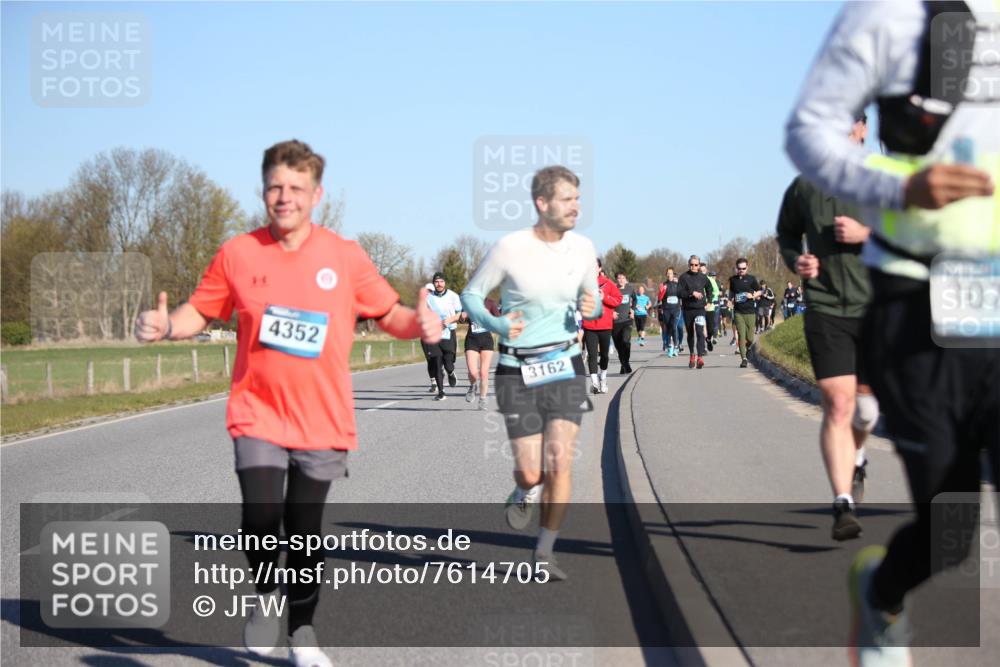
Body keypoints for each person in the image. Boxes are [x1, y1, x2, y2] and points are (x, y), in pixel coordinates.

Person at [134, 140, 443, 667]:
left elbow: (389, 314)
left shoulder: (344, 256)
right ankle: (265, 596)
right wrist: (166, 327)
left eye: (296, 188)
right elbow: (200, 312)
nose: (285, 197)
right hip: (257, 411)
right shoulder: (238, 253)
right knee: (260, 517)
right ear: (264, 190)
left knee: (303, 531)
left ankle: (302, 632)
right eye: (275, 186)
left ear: (316, 194)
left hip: (323, 418)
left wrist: (422, 324)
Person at [786, 2, 998, 664]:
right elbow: (809, 131)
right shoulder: (890, 14)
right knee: (951, 527)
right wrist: (898, 189)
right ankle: (882, 593)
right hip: (919, 303)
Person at [461, 165, 600, 581]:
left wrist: (589, 305)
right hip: (516, 368)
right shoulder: (509, 248)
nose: (576, 206)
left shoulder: (583, 248)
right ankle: (523, 490)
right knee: (532, 470)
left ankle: (544, 552)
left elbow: (588, 295)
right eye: (567, 199)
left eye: (578, 198)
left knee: (560, 464)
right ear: (542, 204)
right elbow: (471, 294)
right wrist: (499, 324)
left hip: (566, 365)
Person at [777, 113, 879, 542]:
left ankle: (857, 457)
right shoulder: (805, 186)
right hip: (824, 307)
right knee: (837, 405)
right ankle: (842, 503)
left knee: (867, 411)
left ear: (861, 129)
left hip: (879, 307)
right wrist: (796, 260)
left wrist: (865, 234)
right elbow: (785, 236)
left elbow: (915, 236)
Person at [582, 258, 622, 393]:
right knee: (592, 355)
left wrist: (604, 297)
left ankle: (603, 378)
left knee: (604, 355)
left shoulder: (608, 284)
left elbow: (618, 300)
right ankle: (594, 383)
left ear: (599, 269)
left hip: (605, 326)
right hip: (589, 325)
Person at [425, 272, 464, 400]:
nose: (439, 284)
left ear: (445, 283)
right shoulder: (428, 298)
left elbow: (460, 315)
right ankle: (441, 392)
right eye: (436, 282)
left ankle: (451, 372)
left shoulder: (453, 296)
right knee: (436, 362)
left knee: (448, 363)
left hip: (449, 332)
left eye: (441, 281)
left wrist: (450, 320)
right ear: (433, 283)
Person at [464, 296, 500, 410]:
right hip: (471, 340)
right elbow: (461, 318)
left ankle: (482, 399)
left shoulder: (490, 303)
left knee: (484, 373)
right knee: (472, 372)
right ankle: (473, 386)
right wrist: (463, 316)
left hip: (486, 340)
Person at [678, 255, 711, 369]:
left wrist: (709, 301)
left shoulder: (703, 277)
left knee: (700, 332)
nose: (693, 267)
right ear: (689, 265)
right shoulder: (683, 277)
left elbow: (709, 288)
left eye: (696, 265)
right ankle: (692, 354)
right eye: (691, 265)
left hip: (700, 309)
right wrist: (692, 293)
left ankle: (700, 357)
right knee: (691, 334)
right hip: (688, 309)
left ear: (699, 265)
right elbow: (679, 293)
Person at [728, 258, 761, 368]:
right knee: (741, 335)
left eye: (743, 268)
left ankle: (748, 348)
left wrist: (753, 296)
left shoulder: (751, 279)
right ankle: (744, 359)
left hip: (750, 312)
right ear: (736, 268)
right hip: (738, 312)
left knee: (750, 338)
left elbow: (760, 291)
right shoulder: (733, 279)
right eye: (739, 268)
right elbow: (731, 293)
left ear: (747, 268)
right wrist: (730, 300)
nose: (741, 270)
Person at [612, 271, 635, 374]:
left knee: (625, 342)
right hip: (615, 322)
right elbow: (606, 302)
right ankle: (623, 364)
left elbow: (635, 299)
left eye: (623, 278)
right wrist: (612, 312)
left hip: (627, 320)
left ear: (626, 279)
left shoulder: (630, 288)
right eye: (619, 278)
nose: (621, 280)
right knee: (618, 346)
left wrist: (633, 309)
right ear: (616, 279)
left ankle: (626, 363)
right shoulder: (613, 289)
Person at [659, 267, 682, 357]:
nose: (669, 275)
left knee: (674, 326)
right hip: (666, 309)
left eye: (671, 273)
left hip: (676, 309)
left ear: (673, 274)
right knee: (668, 328)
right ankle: (669, 346)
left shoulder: (678, 284)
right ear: (666, 275)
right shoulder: (663, 284)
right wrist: (663, 290)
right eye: (668, 273)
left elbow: (682, 295)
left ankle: (676, 346)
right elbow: (660, 298)